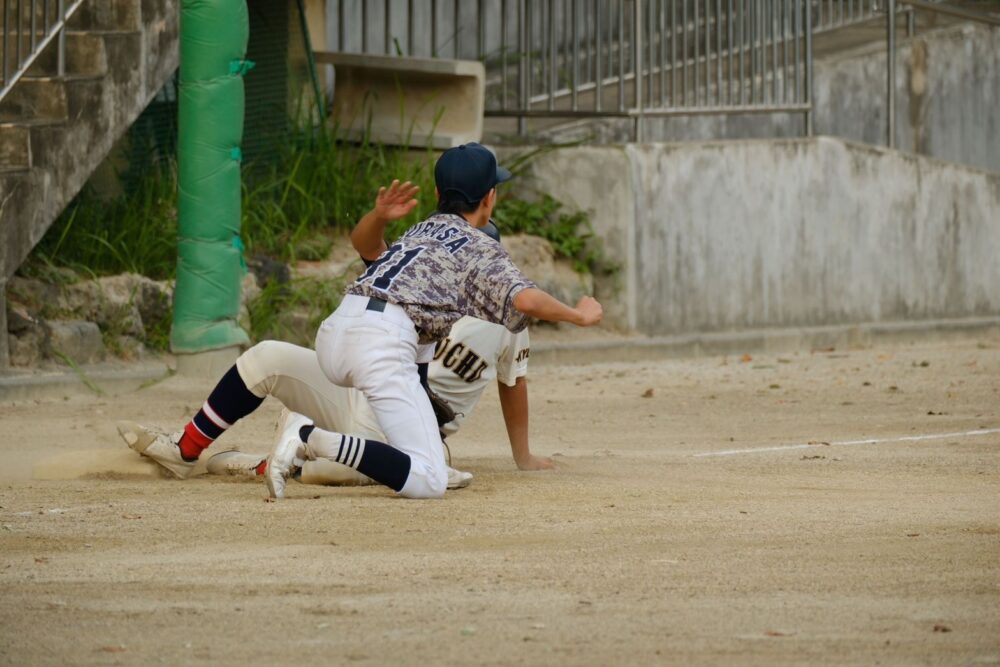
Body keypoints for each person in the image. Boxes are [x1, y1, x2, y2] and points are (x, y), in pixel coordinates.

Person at [119, 143, 602, 501]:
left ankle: (186, 450)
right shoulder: (482, 253)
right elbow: (526, 297)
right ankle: (306, 439)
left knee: (266, 357)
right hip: (380, 358)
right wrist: (578, 313)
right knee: (428, 479)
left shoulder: (419, 237)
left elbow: (368, 249)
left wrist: (376, 215)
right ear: (489, 200)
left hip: (342, 332)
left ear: (437, 193)